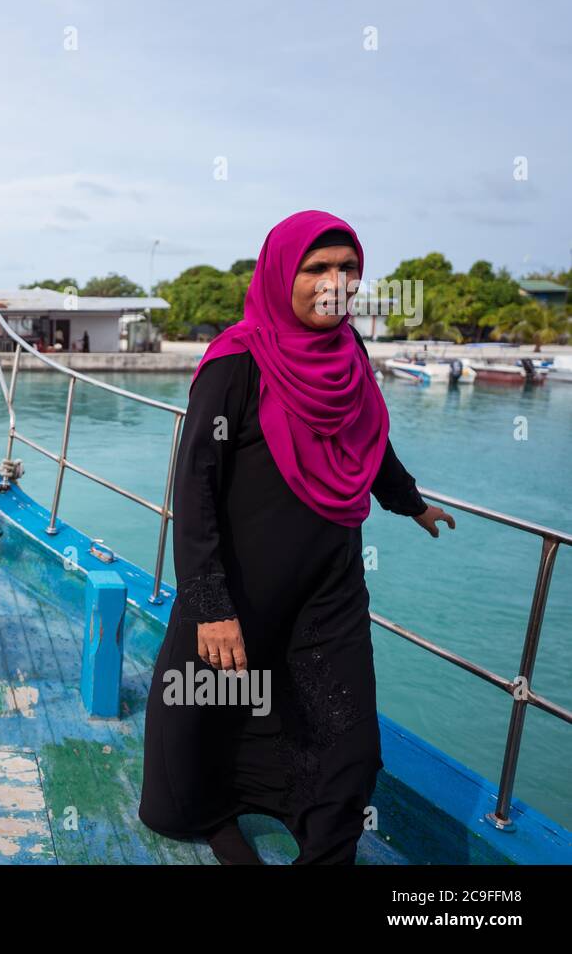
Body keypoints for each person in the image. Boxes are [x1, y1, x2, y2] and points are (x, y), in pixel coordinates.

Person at [138, 210, 455, 865]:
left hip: (330, 582)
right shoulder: (237, 362)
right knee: (211, 709)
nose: (334, 282)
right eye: (317, 268)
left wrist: (411, 503)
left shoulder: (351, 355)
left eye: (348, 270)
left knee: (348, 734)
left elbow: (370, 443)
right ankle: (211, 816)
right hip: (241, 582)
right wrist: (210, 606)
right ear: (283, 273)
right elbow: (194, 488)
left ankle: (326, 848)